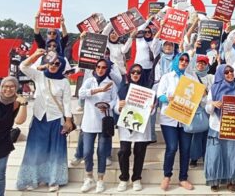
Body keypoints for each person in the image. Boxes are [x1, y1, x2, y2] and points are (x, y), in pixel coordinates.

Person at [17, 49, 74, 192]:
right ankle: (32, 178)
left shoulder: (64, 82)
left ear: (61, 66)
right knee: (35, 149)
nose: (54, 65)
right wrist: (36, 55)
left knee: (55, 150)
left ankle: (53, 179)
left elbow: (67, 102)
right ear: (47, 63)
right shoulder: (39, 76)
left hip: (56, 119)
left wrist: (68, 121)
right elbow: (23, 67)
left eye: (57, 63)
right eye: (51, 63)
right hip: (39, 117)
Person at [157, 53, 197, 191]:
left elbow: (196, 96)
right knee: (172, 147)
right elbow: (159, 96)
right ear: (176, 60)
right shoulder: (167, 77)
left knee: (186, 149)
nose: (184, 62)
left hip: (185, 119)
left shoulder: (191, 78)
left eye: (186, 60)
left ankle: (183, 178)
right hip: (169, 119)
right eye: (181, 59)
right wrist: (168, 99)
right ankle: (167, 176)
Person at [78, 58, 118, 193]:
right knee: (87, 152)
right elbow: (81, 94)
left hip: (104, 121)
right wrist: (99, 90)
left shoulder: (111, 83)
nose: (101, 70)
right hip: (89, 122)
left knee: (101, 152)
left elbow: (115, 100)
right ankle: (89, 177)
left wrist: (108, 106)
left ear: (107, 69)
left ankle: (101, 179)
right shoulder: (89, 81)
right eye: (98, 67)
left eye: (104, 67)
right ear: (95, 68)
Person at [116, 64, 154, 192]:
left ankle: (136, 178)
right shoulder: (123, 89)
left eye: (138, 72)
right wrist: (119, 106)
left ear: (142, 74)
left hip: (141, 124)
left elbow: (152, 112)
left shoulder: (148, 90)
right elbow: (116, 107)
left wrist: (152, 109)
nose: (136, 74)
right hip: (126, 125)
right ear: (129, 74)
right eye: (133, 72)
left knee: (139, 151)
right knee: (124, 151)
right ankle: (124, 178)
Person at [204, 64, 235, 192]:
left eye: (231, 71)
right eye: (226, 72)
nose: (230, 74)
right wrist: (213, 104)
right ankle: (214, 180)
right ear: (221, 74)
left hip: (232, 126)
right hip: (216, 126)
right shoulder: (213, 89)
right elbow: (208, 110)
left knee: (231, 154)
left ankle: (231, 181)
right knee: (214, 155)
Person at [189, 55, 214, 168]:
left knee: (207, 134)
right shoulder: (191, 77)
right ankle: (194, 157)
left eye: (203, 63)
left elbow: (212, 92)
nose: (200, 65)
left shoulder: (210, 77)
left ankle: (206, 156)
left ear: (207, 65)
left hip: (208, 108)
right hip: (195, 108)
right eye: (199, 63)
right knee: (197, 133)